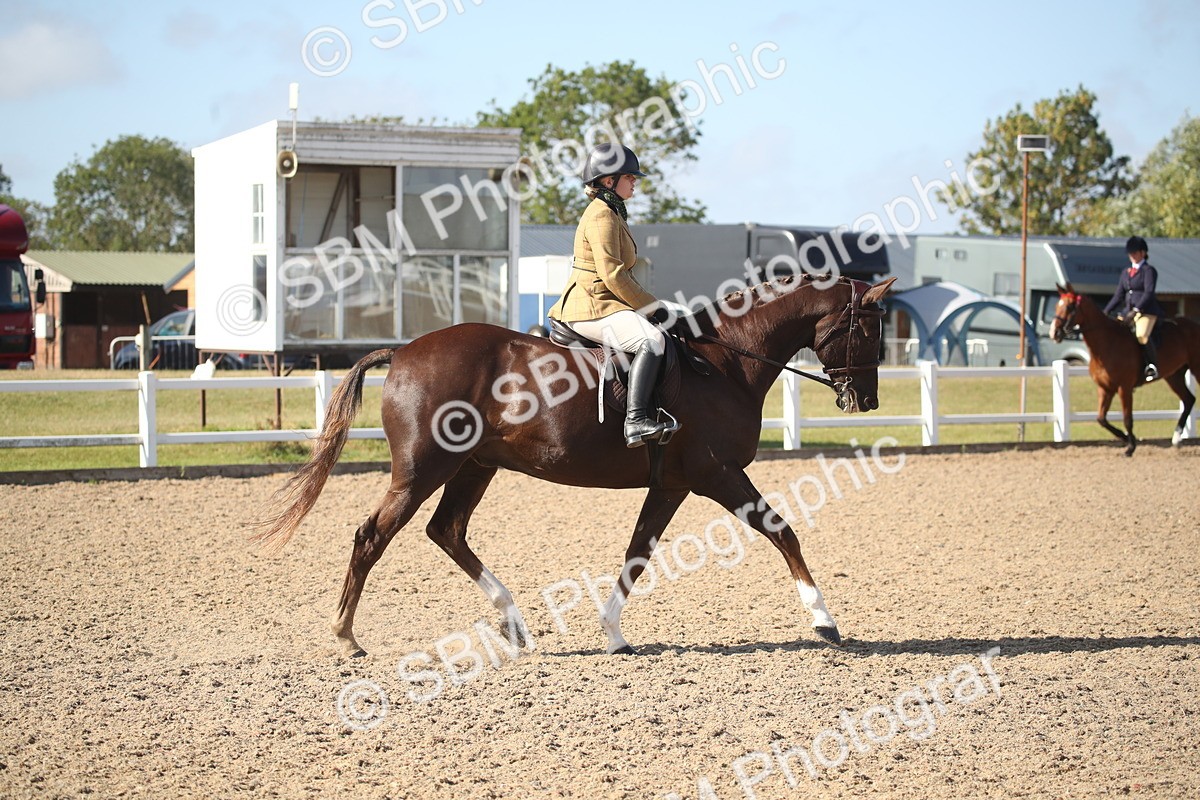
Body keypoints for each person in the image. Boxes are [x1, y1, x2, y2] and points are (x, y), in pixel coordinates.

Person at [547, 143, 678, 448]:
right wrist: (651, 307)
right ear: (608, 181)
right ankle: (636, 421)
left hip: (605, 302)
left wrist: (654, 305)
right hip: (591, 306)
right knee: (652, 340)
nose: (635, 181)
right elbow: (613, 274)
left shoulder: (612, 211)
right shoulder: (602, 216)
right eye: (630, 176)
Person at [1104, 235, 1165, 381]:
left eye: (1135, 252)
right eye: (1130, 253)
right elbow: (1118, 295)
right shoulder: (1126, 273)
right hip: (1128, 311)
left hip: (1146, 312)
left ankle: (1151, 366)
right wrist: (1105, 311)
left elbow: (1149, 292)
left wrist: (1137, 309)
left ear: (1143, 253)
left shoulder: (1148, 271)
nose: (1132, 256)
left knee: (1141, 335)